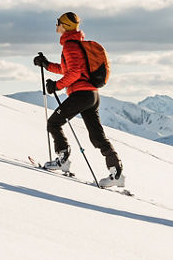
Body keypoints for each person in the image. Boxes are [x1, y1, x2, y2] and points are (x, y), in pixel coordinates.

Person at [32, 12, 124, 188]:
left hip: (81, 94)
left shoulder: (70, 46)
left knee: (53, 123)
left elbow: (74, 73)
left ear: (65, 26)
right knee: (97, 137)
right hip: (92, 95)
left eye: (58, 22)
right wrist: (46, 64)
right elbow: (67, 69)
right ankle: (116, 172)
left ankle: (62, 159)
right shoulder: (75, 44)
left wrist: (57, 86)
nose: (56, 25)